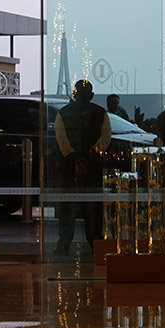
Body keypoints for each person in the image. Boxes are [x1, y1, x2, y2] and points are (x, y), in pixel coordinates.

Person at [53, 80, 112, 256]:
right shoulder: (101, 113)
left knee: (67, 208)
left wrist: (75, 160)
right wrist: (90, 156)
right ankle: (96, 245)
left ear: (74, 94)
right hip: (93, 167)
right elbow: (105, 138)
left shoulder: (62, 113)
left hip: (68, 168)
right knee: (93, 207)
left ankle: (64, 244)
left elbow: (62, 141)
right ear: (92, 95)